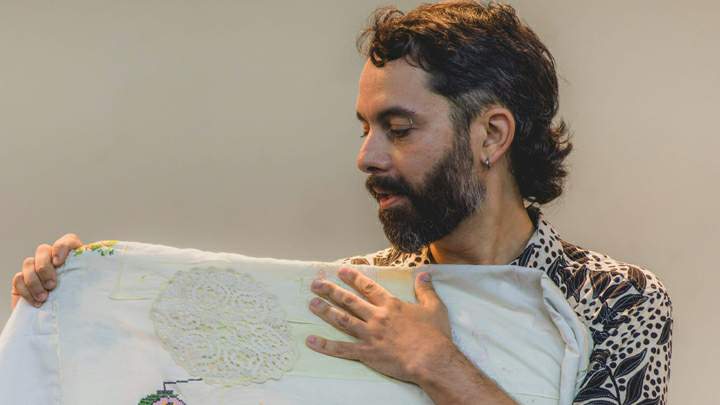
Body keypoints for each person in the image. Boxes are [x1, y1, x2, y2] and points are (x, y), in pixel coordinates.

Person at [10, 2, 672, 404]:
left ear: (491, 135)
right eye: (364, 128)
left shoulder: (617, 302)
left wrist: (437, 366)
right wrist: (77, 300)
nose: (367, 157)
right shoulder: (353, 294)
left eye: (399, 128)